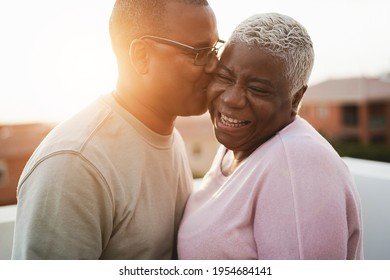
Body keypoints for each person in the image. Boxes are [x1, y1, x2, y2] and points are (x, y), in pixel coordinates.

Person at [12, 0, 222, 259]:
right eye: (198, 52)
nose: (214, 65)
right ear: (141, 56)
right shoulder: (75, 164)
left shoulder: (171, 138)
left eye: (214, 49)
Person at [178, 12, 364, 260]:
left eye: (257, 89)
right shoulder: (239, 144)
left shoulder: (300, 163)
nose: (231, 98)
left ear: (296, 98)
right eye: (224, 76)